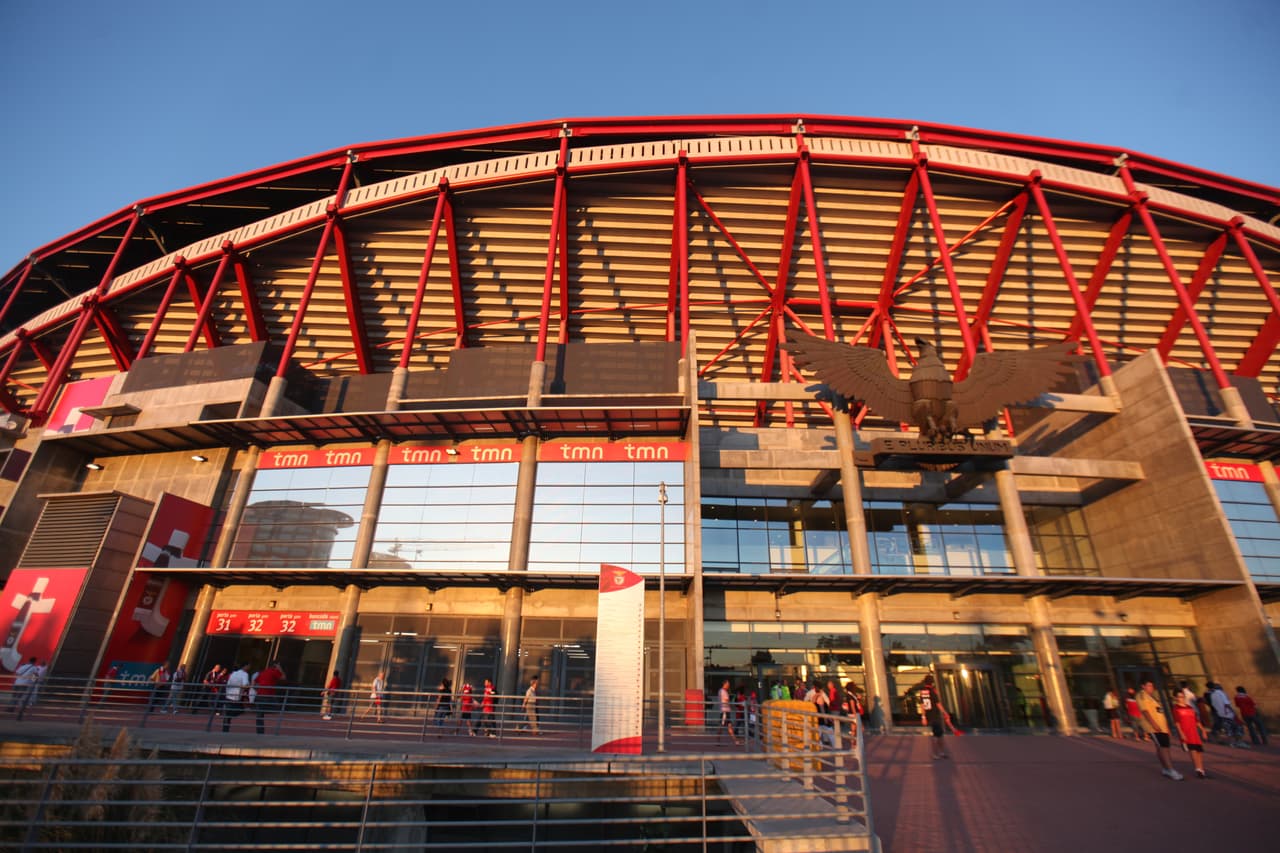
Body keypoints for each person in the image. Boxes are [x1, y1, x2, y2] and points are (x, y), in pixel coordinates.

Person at [1136, 679, 1183, 780]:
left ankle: (1166, 768)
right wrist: (1154, 724)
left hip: (1162, 726)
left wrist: (1166, 727)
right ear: (1143, 686)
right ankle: (1170, 770)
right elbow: (1145, 711)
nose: (1151, 688)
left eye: (1152, 686)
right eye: (1149, 686)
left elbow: (1160, 712)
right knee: (1163, 747)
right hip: (1154, 727)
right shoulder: (1141, 695)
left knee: (1163, 747)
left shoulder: (1153, 697)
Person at [1171, 691, 1208, 779]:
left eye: (1183, 696)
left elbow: (1196, 720)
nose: (1182, 698)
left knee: (1199, 751)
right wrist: (1181, 733)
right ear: (1176, 698)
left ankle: (1202, 769)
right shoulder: (1176, 708)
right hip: (1186, 732)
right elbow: (1177, 723)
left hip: (1194, 732)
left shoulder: (1190, 707)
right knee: (1193, 750)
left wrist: (1203, 730)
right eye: (1179, 697)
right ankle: (1198, 769)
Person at [917, 675, 949, 759]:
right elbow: (938, 704)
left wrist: (923, 717)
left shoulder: (922, 691)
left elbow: (922, 705)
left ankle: (939, 753)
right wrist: (945, 712)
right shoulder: (932, 691)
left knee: (937, 734)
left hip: (928, 715)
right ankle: (938, 753)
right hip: (935, 715)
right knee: (938, 735)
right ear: (931, 682)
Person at [1208, 682, 1248, 748]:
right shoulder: (1221, 693)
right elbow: (1226, 703)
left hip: (1221, 714)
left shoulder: (1212, 695)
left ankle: (1232, 743)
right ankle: (1239, 742)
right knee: (1238, 727)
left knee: (1228, 729)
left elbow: (1213, 705)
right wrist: (1233, 712)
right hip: (1228, 714)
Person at [253, 660, 285, 735]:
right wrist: (280, 669)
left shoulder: (263, 672)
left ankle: (260, 732)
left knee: (259, 715)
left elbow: (254, 682)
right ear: (275, 665)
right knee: (278, 708)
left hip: (260, 695)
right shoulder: (274, 671)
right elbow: (283, 677)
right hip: (268, 695)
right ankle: (275, 729)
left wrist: (256, 689)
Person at [222, 663, 251, 732]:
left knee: (227, 714)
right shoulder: (245, 674)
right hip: (236, 697)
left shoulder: (234, 673)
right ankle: (226, 727)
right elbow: (245, 685)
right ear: (245, 666)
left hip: (229, 695)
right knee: (239, 710)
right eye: (249, 666)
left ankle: (225, 729)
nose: (249, 668)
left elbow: (229, 683)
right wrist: (249, 686)